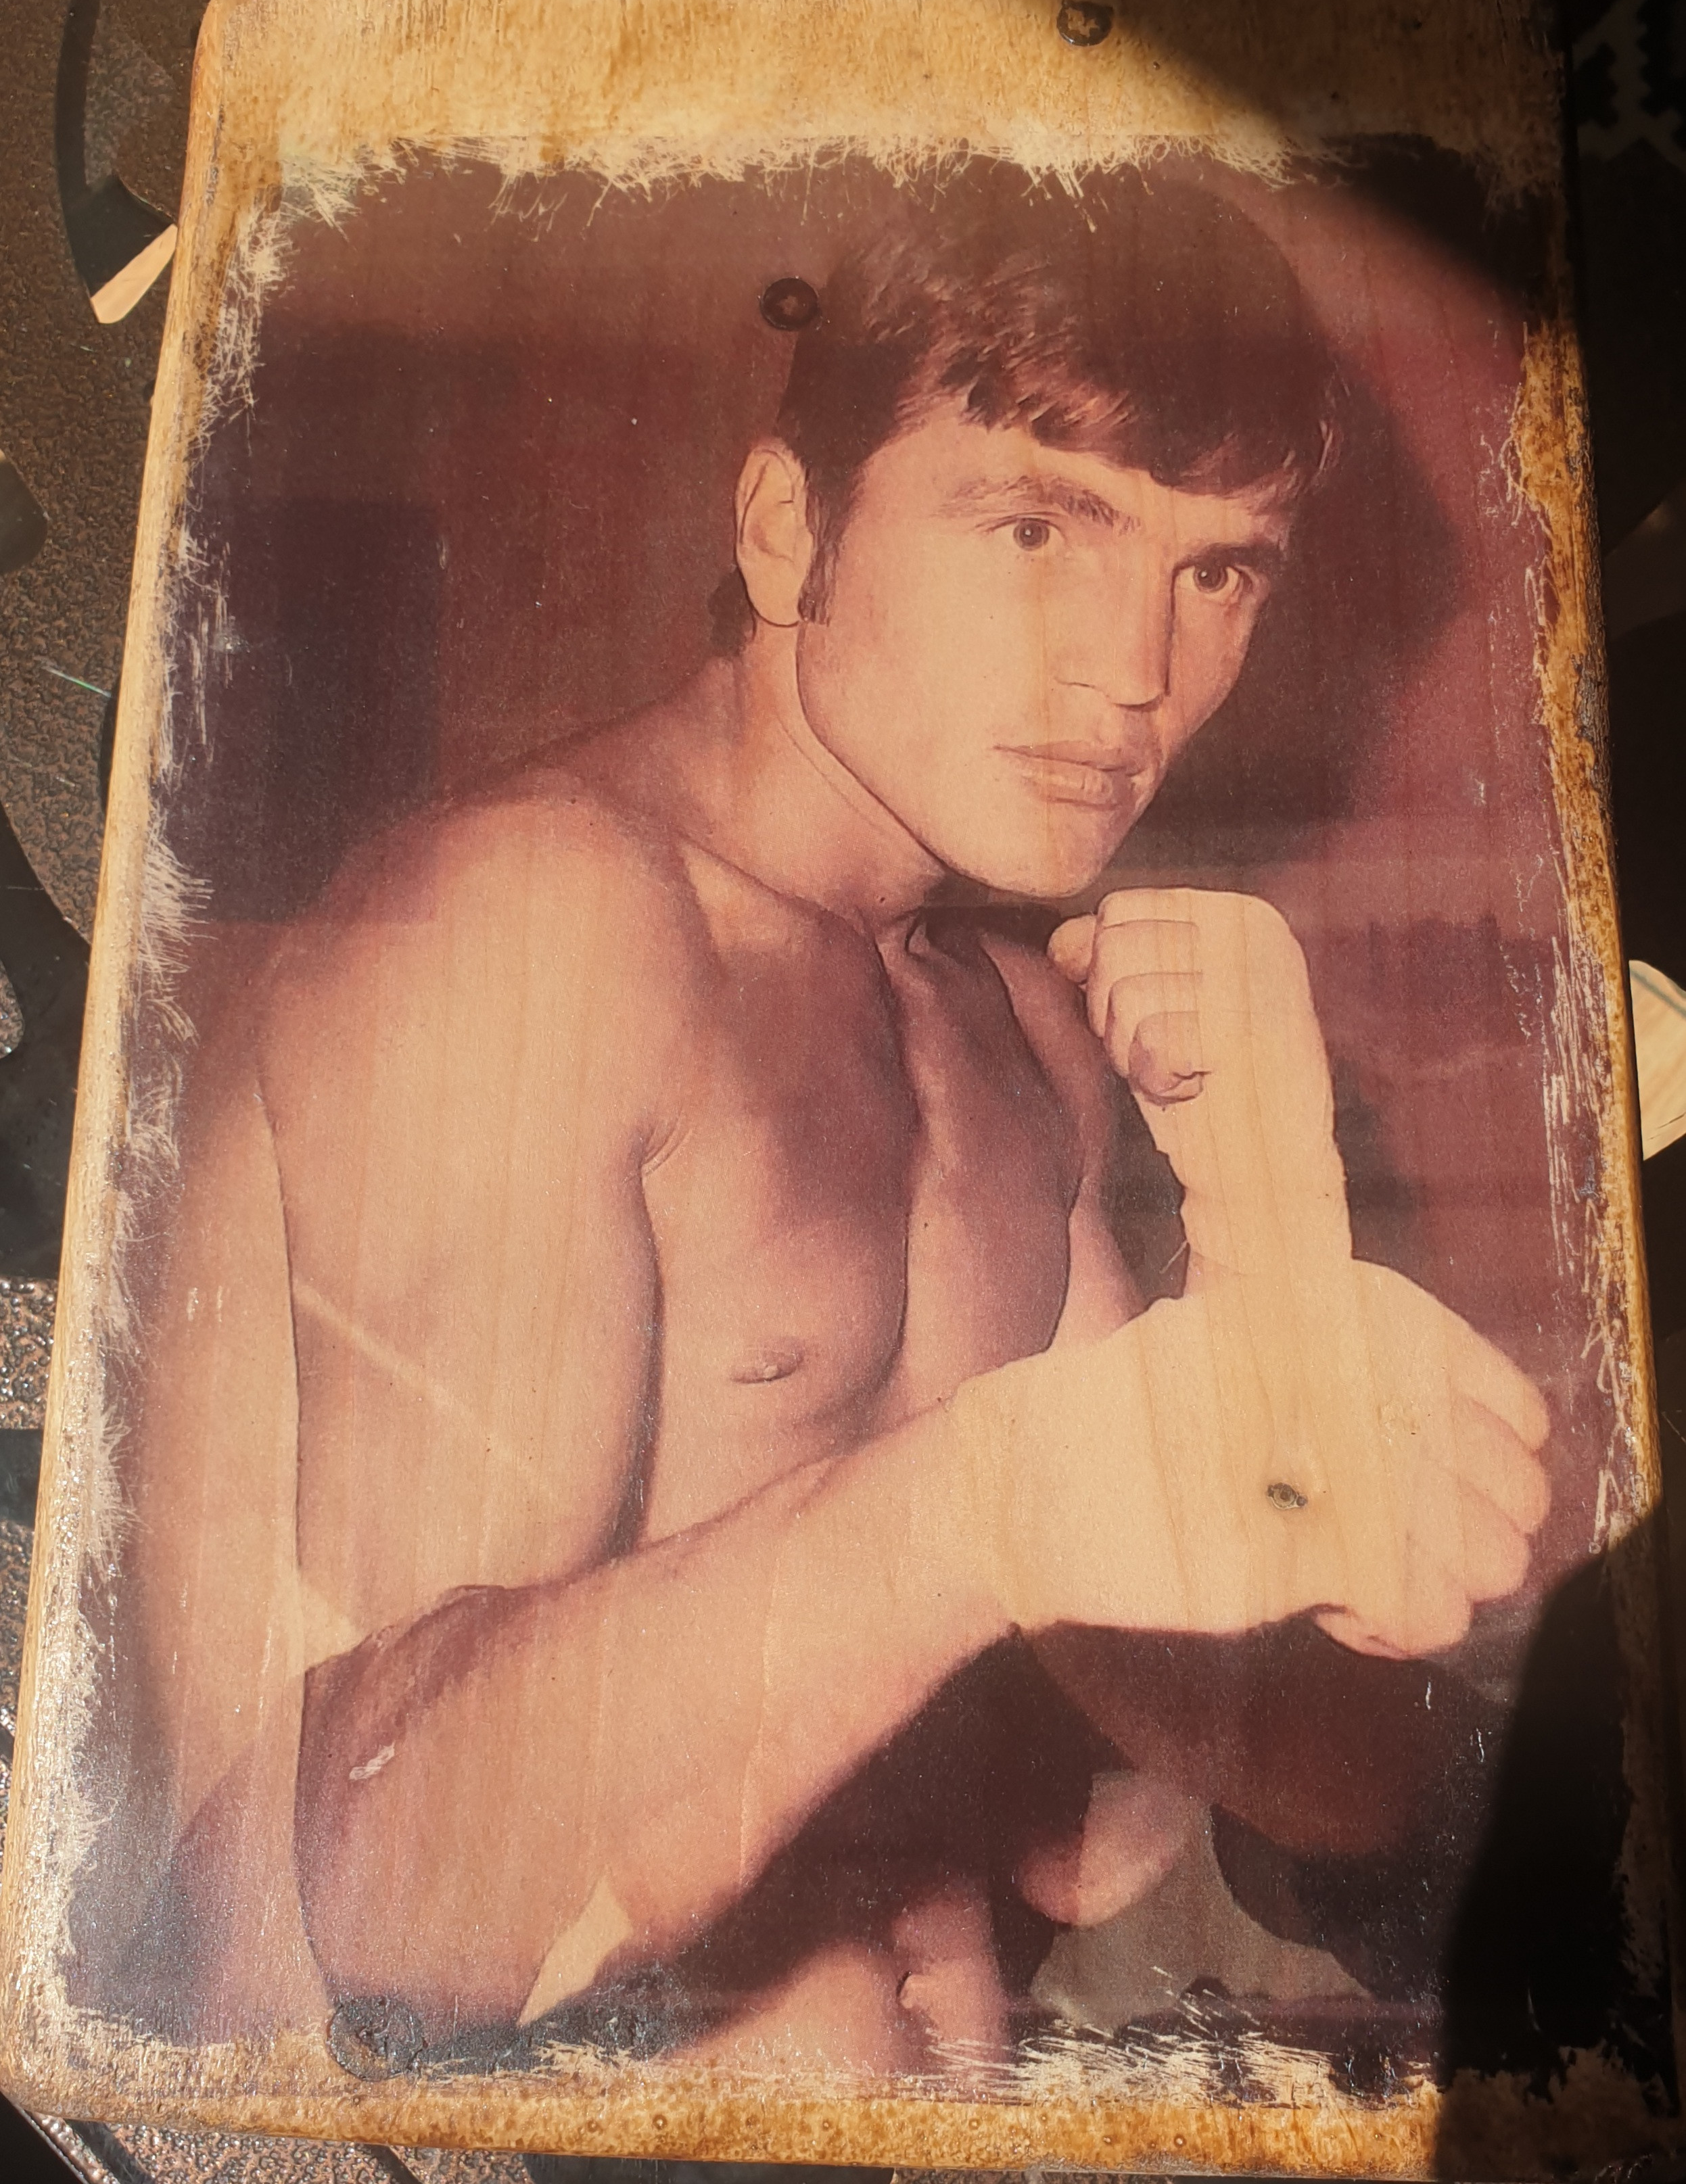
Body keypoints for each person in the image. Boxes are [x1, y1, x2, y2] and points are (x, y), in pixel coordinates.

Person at [118, 173, 1549, 2074]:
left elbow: (1225, 1791)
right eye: (1036, 527)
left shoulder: (1012, 1032)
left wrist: (1271, 1234)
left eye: (1220, 572)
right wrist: (988, 1505)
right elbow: (349, 1893)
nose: (1135, 669)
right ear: (792, 526)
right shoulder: (545, 931)